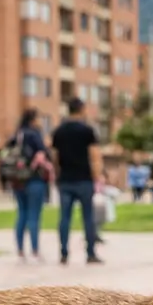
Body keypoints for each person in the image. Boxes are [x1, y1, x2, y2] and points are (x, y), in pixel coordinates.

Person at [50, 98, 104, 265]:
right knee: (88, 217)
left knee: (64, 217)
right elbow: (94, 156)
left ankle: (64, 253)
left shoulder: (58, 131)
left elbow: (54, 157)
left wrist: (58, 175)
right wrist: (97, 176)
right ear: (81, 109)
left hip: (65, 180)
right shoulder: (87, 130)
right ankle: (90, 253)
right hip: (84, 179)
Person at [5, 108, 52, 262]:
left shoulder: (16, 136)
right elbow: (45, 153)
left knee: (22, 213)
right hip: (34, 179)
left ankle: (20, 249)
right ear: (33, 119)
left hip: (17, 180)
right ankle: (35, 249)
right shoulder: (34, 134)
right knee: (34, 215)